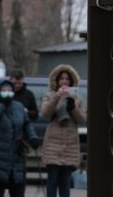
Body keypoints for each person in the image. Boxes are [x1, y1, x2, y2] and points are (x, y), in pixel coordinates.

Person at [0, 80, 40, 197]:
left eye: (9, 90)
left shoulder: (19, 106)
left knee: (18, 190)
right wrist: (2, 104)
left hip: (16, 155)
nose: (7, 92)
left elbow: (27, 124)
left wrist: (33, 137)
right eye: (4, 90)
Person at [40, 64, 86, 197]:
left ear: (71, 81)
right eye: (62, 79)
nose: (64, 81)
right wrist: (57, 97)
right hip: (52, 143)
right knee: (52, 180)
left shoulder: (77, 98)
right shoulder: (50, 95)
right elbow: (45, 113)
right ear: (56, 81)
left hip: (70, 143)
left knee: (65, 181)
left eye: (67, 79)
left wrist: (73, 107)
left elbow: (82, 119)